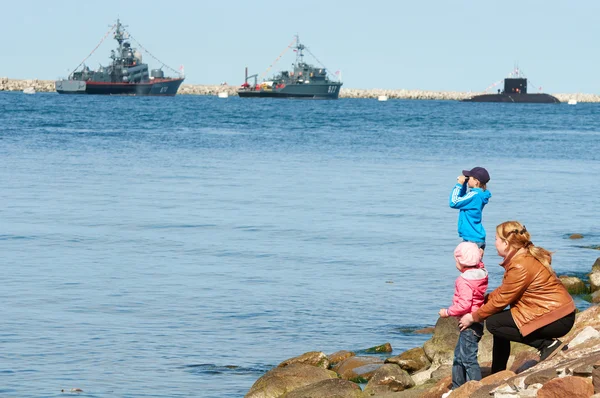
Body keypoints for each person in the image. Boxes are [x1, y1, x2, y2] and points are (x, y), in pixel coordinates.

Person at [458, 221, 576, 374]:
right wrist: (482, 301)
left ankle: (546, 345)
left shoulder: (520, 264)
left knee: (494, 323)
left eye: (496, 239)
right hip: (556, 312)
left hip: (557, 318)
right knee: (499, 320)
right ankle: (498, 371)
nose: (494, 243)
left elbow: (502, 300)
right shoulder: (522, 257)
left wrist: (473, 317)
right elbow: (505, 291)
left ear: (506, 243)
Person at [439, 242, 488, 396]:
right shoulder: (482, 272)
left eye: (456, 260)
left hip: (469, 323)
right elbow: (479, 263)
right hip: (477, 320)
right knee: (459, 356)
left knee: (467, 359)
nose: (455, 263)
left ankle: (477, 389)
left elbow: (464, 304)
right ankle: (457, 388)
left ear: (461, 262)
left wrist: (447, 312)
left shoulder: (463, 280)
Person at [449, 167, 491, 250]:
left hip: (472, 239)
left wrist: (459, 185)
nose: (467, 179)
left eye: (469, 178)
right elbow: (462, 199)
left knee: (465, 262)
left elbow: (454, 202)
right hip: (476, 237)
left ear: (476, 181)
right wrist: (464, 184)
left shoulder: (474, 195)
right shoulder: (479, 194)